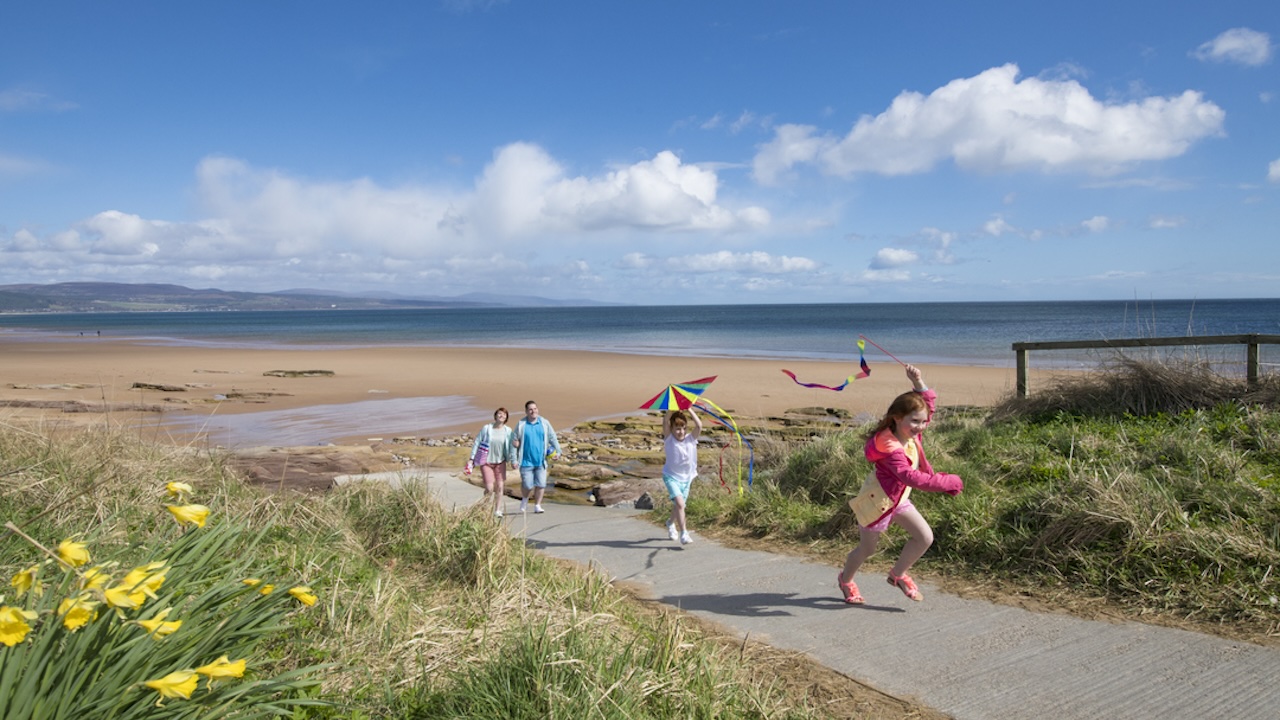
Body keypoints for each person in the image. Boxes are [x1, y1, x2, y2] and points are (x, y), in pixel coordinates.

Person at [837, 364, 963, 604]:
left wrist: (918, 381)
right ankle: (845, 580)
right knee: (867, 550)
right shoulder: (889, 446)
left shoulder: (910, 433)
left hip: (899, 500)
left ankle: (897, 575)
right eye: (915, 421)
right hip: (877, 502)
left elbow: (928, 405)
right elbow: (910, 477)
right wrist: (947, 482)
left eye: (923, 422)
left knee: (924, 538)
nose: (921, 426)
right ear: (896, 418)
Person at [662, 407, 703, 545]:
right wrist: (671, 409)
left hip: (687, 478)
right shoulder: (669, 439)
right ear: (672, 429)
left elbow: (699, 425)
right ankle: (684, 533)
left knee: (679, 505)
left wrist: (689, 409)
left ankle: (670, 523)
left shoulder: (691, 439)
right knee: (680, 504)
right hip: (671, 476)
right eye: (677, 429)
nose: (681, 432)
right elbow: (665, 420)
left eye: (684, 428)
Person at [467, 407, 516, 517]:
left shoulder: (508, 431)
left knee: (500, 486)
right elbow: (477, 442)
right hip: (486, 462)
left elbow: (512, 447)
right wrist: (472, 458)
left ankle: (497, 510)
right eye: (499, 414)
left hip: (500, 462)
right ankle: (484, 506)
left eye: (504, 414)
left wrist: (514, 460)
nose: (501, 416)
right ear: (495, 416)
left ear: (506, 418)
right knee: (489, 488)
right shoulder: (487, 428)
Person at [513, 400, 560, 514]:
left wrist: (558, 451)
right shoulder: (521, 424)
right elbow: (513, 443)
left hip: (541, 461)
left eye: (535, 409)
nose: (533, 411)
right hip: (525, 461)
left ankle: (537, 505)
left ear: (537, 409)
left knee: (541, 484)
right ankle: (524, 500)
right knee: (528, 485)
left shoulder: (544, 423)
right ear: (526, 411)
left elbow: (552, 437)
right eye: (530, 409)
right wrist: (514, 459)